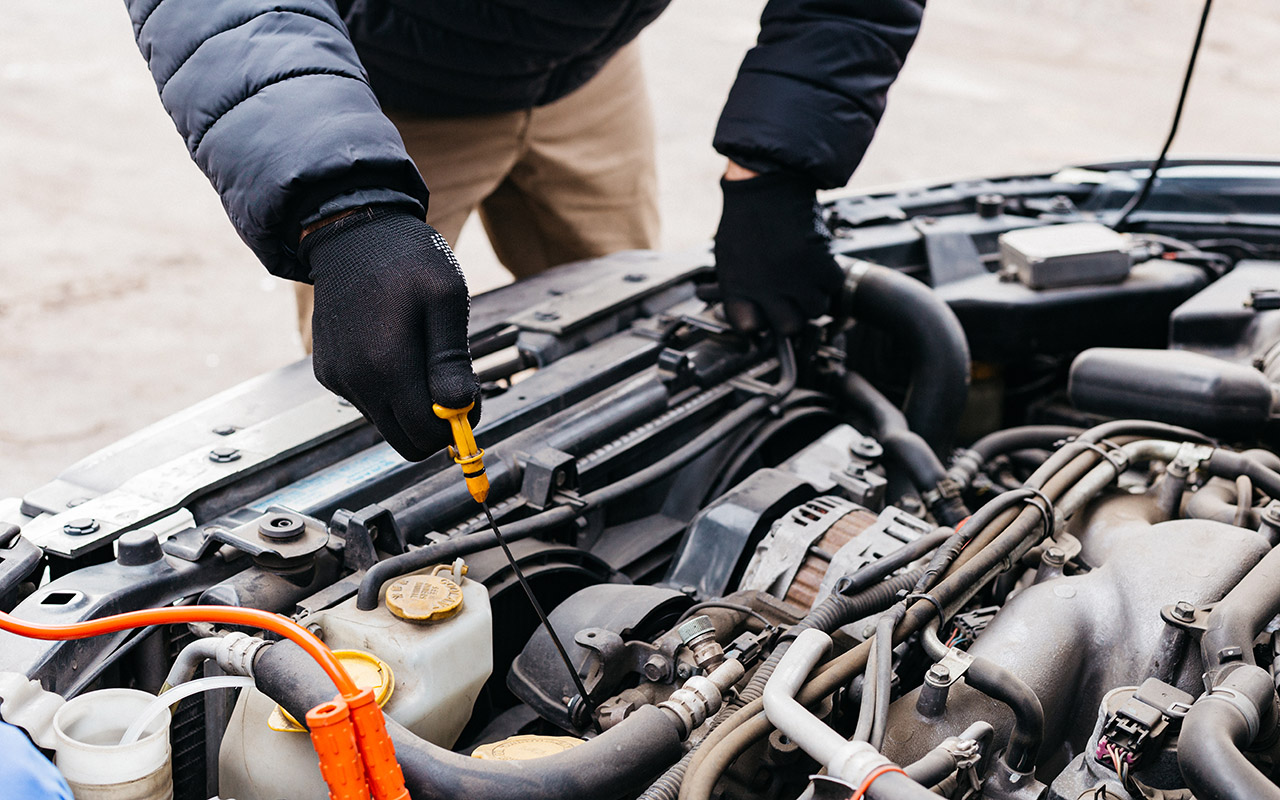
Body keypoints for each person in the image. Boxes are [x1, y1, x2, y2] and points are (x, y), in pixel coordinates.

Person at [120, 0, 923, 460]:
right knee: (387, 380)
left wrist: (778, 164)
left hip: (586, 66)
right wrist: (343, 206)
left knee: (633, 325)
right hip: (380, 93)